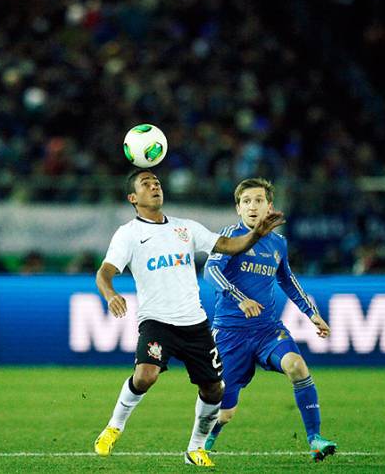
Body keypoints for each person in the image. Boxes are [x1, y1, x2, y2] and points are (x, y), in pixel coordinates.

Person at [93, 169, 285, 467]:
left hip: (194, 323)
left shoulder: (186, 228)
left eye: (157, 182)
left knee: (214, 389)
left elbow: (229, 246)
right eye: (146, 184)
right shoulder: (128, 234)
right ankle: (113, 428)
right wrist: (110, 295)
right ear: (133, 198)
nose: (155, 186)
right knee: (146, 375)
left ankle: (195, 449)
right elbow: (104, 273)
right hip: (157, 321)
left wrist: (257, 234)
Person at [201, 177, 337, 462]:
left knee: (297, 367)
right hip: (230, 334)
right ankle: (203, 444)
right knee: (225, 412)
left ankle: (315, 439)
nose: (253, 207)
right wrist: (240, 298)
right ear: (238, 208)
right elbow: (210, 271)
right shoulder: (229, 237)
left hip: (266, 330)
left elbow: (288, 280)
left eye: (259, 201)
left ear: (269, 207)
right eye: (246, 202)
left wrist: (312, 314)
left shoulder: (278, 243)